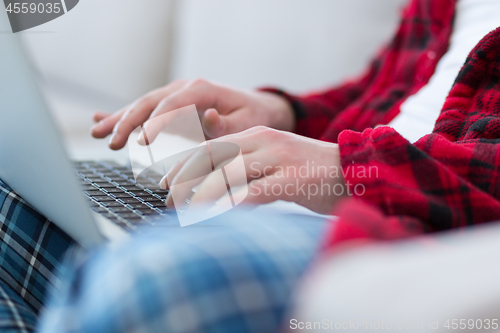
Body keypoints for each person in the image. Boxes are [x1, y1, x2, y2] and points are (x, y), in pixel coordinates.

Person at [37, 0, 500, 332]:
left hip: (414, 227)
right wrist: (284, 113)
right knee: (17, 205)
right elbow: (388, 92)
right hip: (343, 188)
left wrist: (347, 170)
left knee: (149, 282)